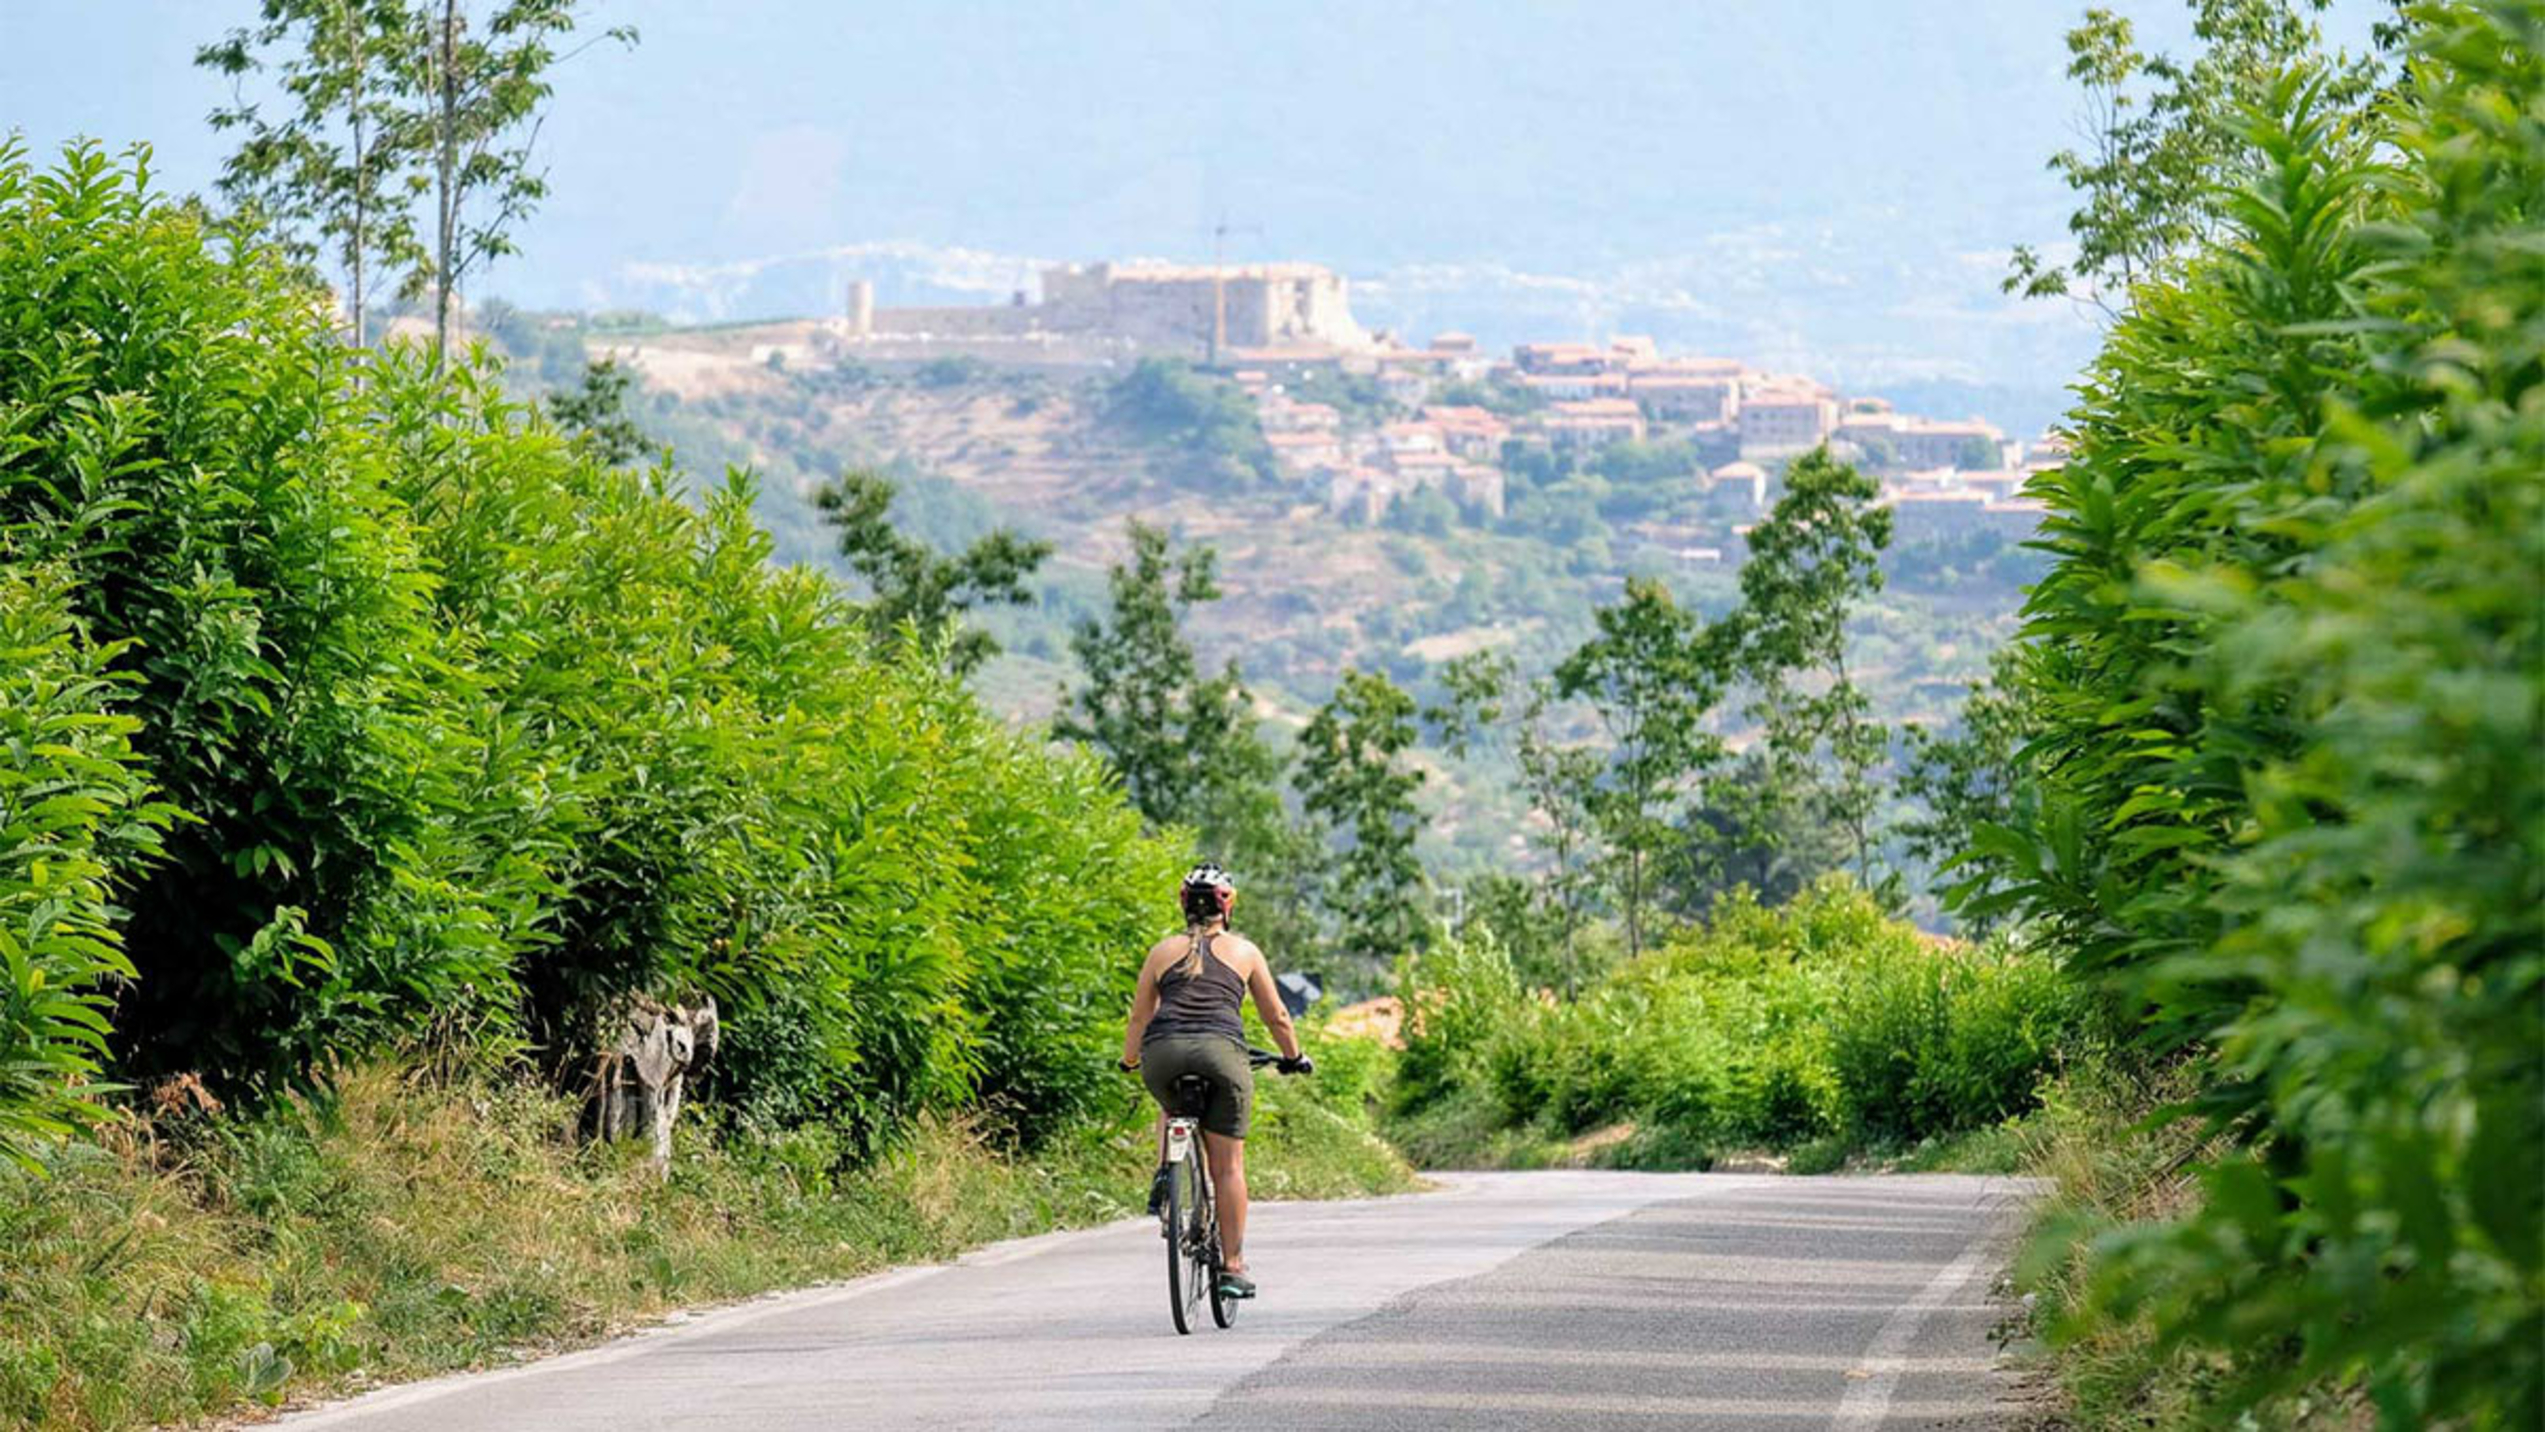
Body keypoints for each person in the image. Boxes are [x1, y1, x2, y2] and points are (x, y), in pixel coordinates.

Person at [1119, 862, 1308, 1299]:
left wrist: (1130, 1061)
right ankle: (1233, 1267)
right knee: (1228, 1167)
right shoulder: (1245, 951)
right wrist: (1293, 1057)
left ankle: (1166, 1175)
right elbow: (1277, 1016)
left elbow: (1140, 1017)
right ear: (1228, 907)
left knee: (1170, 1103)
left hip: (1163, 1054)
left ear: (1184, 904)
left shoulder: (1161, 951)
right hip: (1221, 1054)